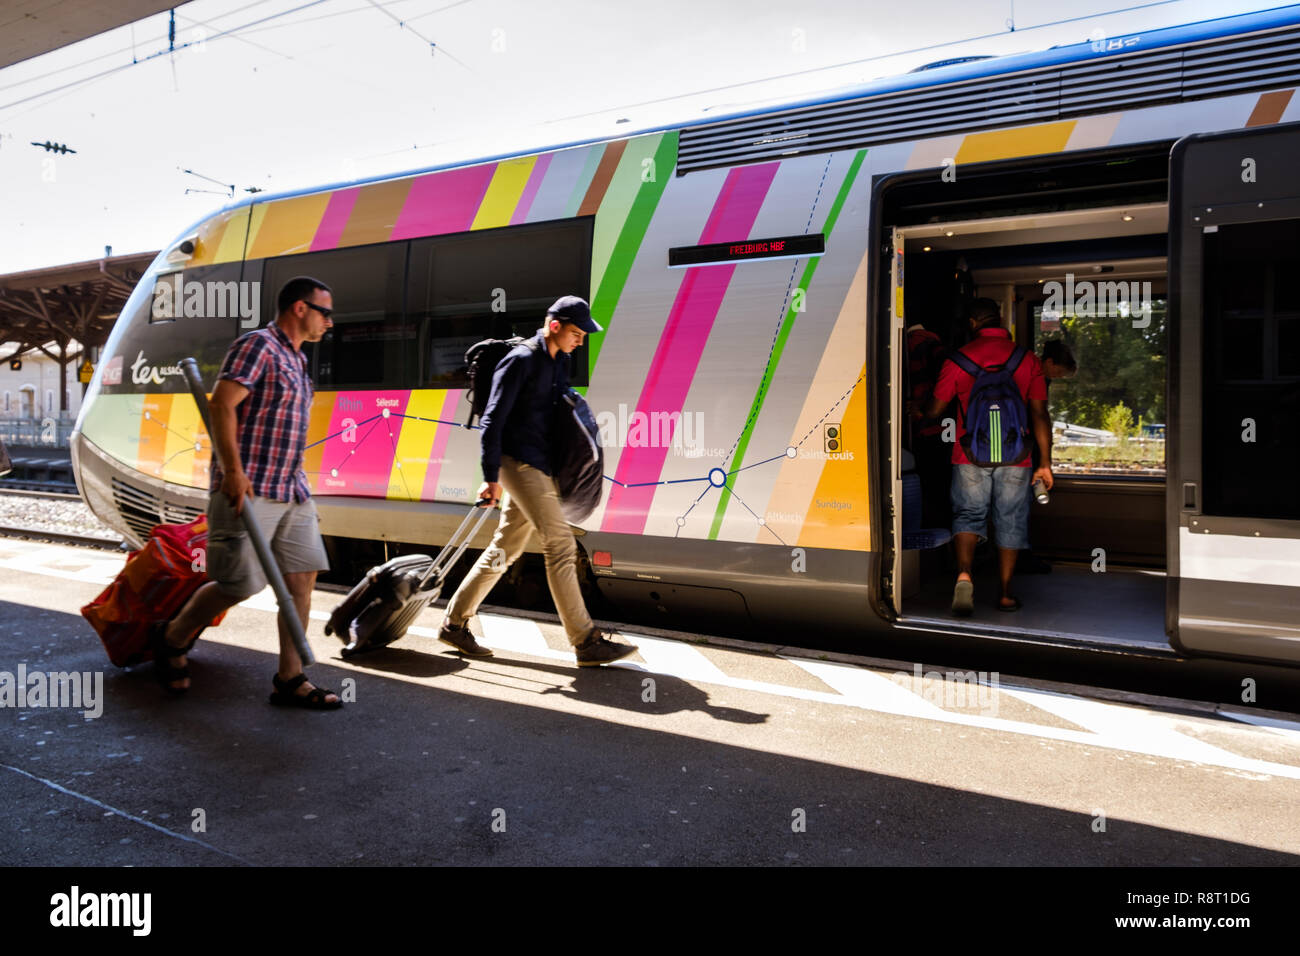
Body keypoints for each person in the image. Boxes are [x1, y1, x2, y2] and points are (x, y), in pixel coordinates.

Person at [149, 276, 342, 708]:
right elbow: (221, 404)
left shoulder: (297, 359)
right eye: (324, 312)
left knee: (302, 580)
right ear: (299, 308)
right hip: (248, 487)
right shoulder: (259, 346)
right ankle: (172, 637)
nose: (330, 321)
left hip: (291, 488)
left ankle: (290, 679)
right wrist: (232, 473)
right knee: (238, 584)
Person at [438, 296, 638, 667]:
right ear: (556, 325)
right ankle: (585, 641)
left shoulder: (557, 360)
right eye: (577, 333)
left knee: (507, 545)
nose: (580, 341)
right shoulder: (521, 361)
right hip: (519, 464)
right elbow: (492, 422)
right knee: (559, 544)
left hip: (541, 464)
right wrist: (491, 477)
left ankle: (454, 622)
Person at [925, 298, 1053, 615]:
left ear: (972, 323)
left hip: (969, 453)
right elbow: (1040, 414)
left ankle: (965, 574)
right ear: (999, 320)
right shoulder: (1028, 360)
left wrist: (921, 409)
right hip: (1017, 455)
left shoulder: (957, 360)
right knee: (1010, 520)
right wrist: (1045, 463)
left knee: (968, 514)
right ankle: (1007, 593)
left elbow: (936, 410)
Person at [1020, 339, 1077, 574]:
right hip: (1025, 447)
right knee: (1019, 504)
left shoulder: (1024, 368)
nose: (1057, 378)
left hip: (1015, 443)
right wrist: (1045, 460)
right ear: (1049, 362)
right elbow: (1039, 415)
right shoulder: (1036, 376)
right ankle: (1020, 554)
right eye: (1058, 373)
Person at [905, 319, 950, 528]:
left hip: (926, 426)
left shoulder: (914, 343)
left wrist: (921, 407)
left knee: (929, 483)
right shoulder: (934, 342)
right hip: (942, 427)